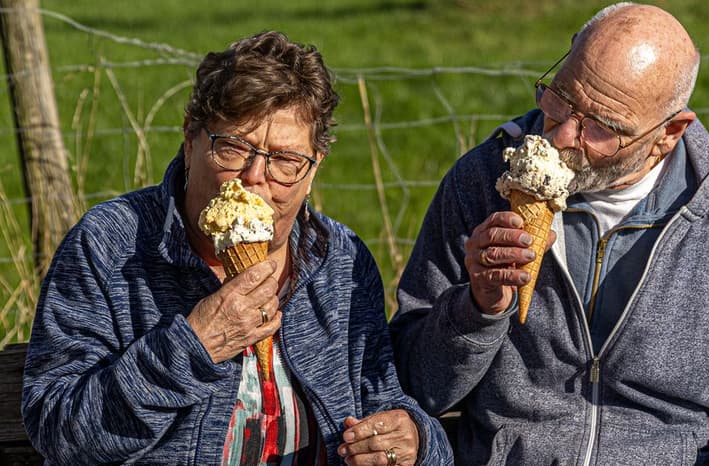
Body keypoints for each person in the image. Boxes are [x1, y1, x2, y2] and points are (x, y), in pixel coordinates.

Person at [390, 3, 709, 464]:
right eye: (561, 99)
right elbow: (413, 386)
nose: (562, 136)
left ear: (669, 133)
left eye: (600, 128)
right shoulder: (480, 183)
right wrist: (477, 309)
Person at [22, 31, 451, 466]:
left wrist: (416, 440)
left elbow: (386, 404)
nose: (255, 176)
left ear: (313, 169)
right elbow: (56, 430)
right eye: (233, 147)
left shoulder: (340, 261)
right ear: (190, 140)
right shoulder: (111, 244)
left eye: (286, 160)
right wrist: (191, 347)